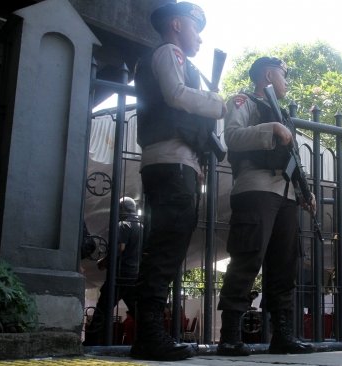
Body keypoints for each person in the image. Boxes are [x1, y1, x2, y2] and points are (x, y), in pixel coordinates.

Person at [132, 2, 227, 361]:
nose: (199, 37)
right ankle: (149, 336)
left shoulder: (172, 57)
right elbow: (175, 95)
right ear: (176, 25)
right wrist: (217, 104)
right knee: (165, 249)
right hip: (171, 165)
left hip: (176, 163)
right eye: (194, 27)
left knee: (166, 248)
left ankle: (150, 332)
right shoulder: (169, 52)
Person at [216, 56, 315, 356]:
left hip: (285, 193)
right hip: (256, 187)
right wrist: (270, 127)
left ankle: (282, 334)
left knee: (284, 264)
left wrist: (304, 189)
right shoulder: (243, 101)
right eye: (284, 75)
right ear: (269, 75)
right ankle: (230, 334)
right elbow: (231, 138)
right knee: (247, 259)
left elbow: (292, 158)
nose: (287, 81)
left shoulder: (281, 113)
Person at [83, 197, 143, 346]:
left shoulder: (123, 225)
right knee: (137, 312)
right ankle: (147, 339)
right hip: (134, 276)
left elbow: (119, 248)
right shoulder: (142, 227)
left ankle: (91, 343)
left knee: (102, 310)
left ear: (123, 209)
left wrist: (103, 262)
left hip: (119, 276)